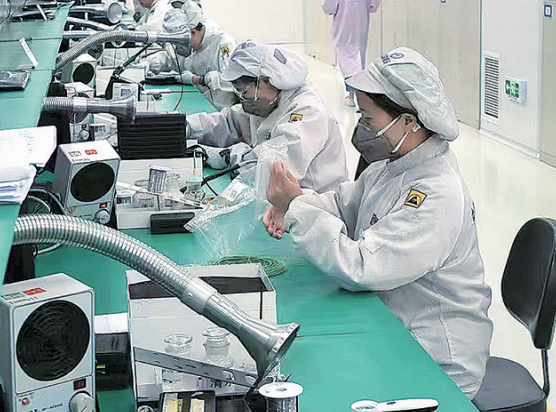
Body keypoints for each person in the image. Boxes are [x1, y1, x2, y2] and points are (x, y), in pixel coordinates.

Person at [263, 47, 493, 399]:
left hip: (435, 359)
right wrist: (296, 202)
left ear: (408, 121)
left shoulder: (436, 193)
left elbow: (363, 267)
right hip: (395, 322)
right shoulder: (393, 166)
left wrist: (296, 207)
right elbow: (343, 205)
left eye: (368, 118)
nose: (363, 127)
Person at [187, 41, 349, 193]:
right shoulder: (268, 99)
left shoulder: (308, 111)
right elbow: (228, 122)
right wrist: (185, 126)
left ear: (265, 80)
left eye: (244, 91)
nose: (242, 97)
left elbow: (274, 168)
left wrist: (228, 156)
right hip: (277, 199)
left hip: (312, 202)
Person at [145, 2, 238, 110]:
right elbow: (170, 58)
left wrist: (197, 79)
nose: (178, 47)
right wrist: (147, 63)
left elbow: (231, 80)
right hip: (199, 101)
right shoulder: (192, 45)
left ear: (193, 32)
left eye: (180, 43)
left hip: (220, 109)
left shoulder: (223, 43)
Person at [323, 0, 381, 107]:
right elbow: (374, 5)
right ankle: (356, 96)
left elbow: (329, 7)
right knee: (358, 58)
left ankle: (352, 96)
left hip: (343, 25)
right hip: (361, 21)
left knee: (347, 60)